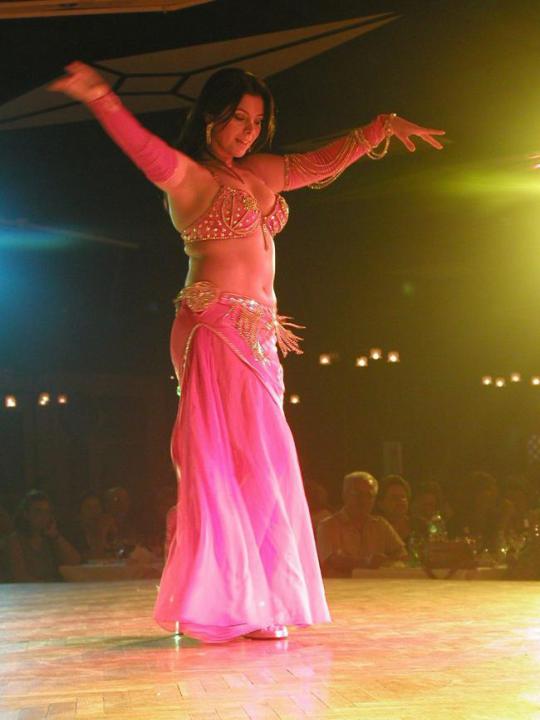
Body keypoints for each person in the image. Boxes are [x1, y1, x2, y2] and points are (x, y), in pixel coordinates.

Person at [49, 61, 443, 642]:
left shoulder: (256, 171)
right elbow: (145, 150)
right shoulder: (190, 178)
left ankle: (253, 598)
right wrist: (101, 98)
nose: (248, 132)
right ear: (211, 115)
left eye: (257, 123)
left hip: (260, 337)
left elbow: (316, 163)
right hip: (216, 327)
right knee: (236, 464)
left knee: (262, 463)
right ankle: (234, 603)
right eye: (238, 118)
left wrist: (378, 128)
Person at [317, 471, 407, 577]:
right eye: (357, 494)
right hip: (341, 586)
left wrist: (388, 562)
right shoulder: (328, 525)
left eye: (369, 495)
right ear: (344, 495)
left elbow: (402, 555)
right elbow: (333, 560)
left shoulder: (381, 525)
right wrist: (366, 562)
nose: (363, 500)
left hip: (376, 585)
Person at [7, 490, 81, 582]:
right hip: (32, 589)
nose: (44, 516)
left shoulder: (50, 538)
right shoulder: (16, 540)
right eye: (38, 511)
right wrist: (47, 587)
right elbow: (21, 577)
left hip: (54, 587)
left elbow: (75, 561)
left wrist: (56, 536)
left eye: (47, 512)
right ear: (26, 514)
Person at [375, 474, 413, 542]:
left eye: (403, 497)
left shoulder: (419, 526)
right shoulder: (374, 530)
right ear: (380, 503)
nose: (400, 501)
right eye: (394, 498)